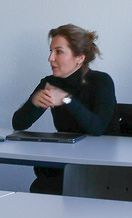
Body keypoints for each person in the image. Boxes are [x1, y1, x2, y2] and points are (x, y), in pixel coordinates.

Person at [12, 24, 117, 194]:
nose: (50, 58)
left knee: (48, 187)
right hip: (65, 161)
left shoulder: (101, 81)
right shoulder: (51, 82)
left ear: (79, 58)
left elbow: (97, 128)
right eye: (51, 51)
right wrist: (34, 103)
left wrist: (67, 100)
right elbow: (18, 124)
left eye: (59, 52)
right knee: (42, 186)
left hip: (99, 166)